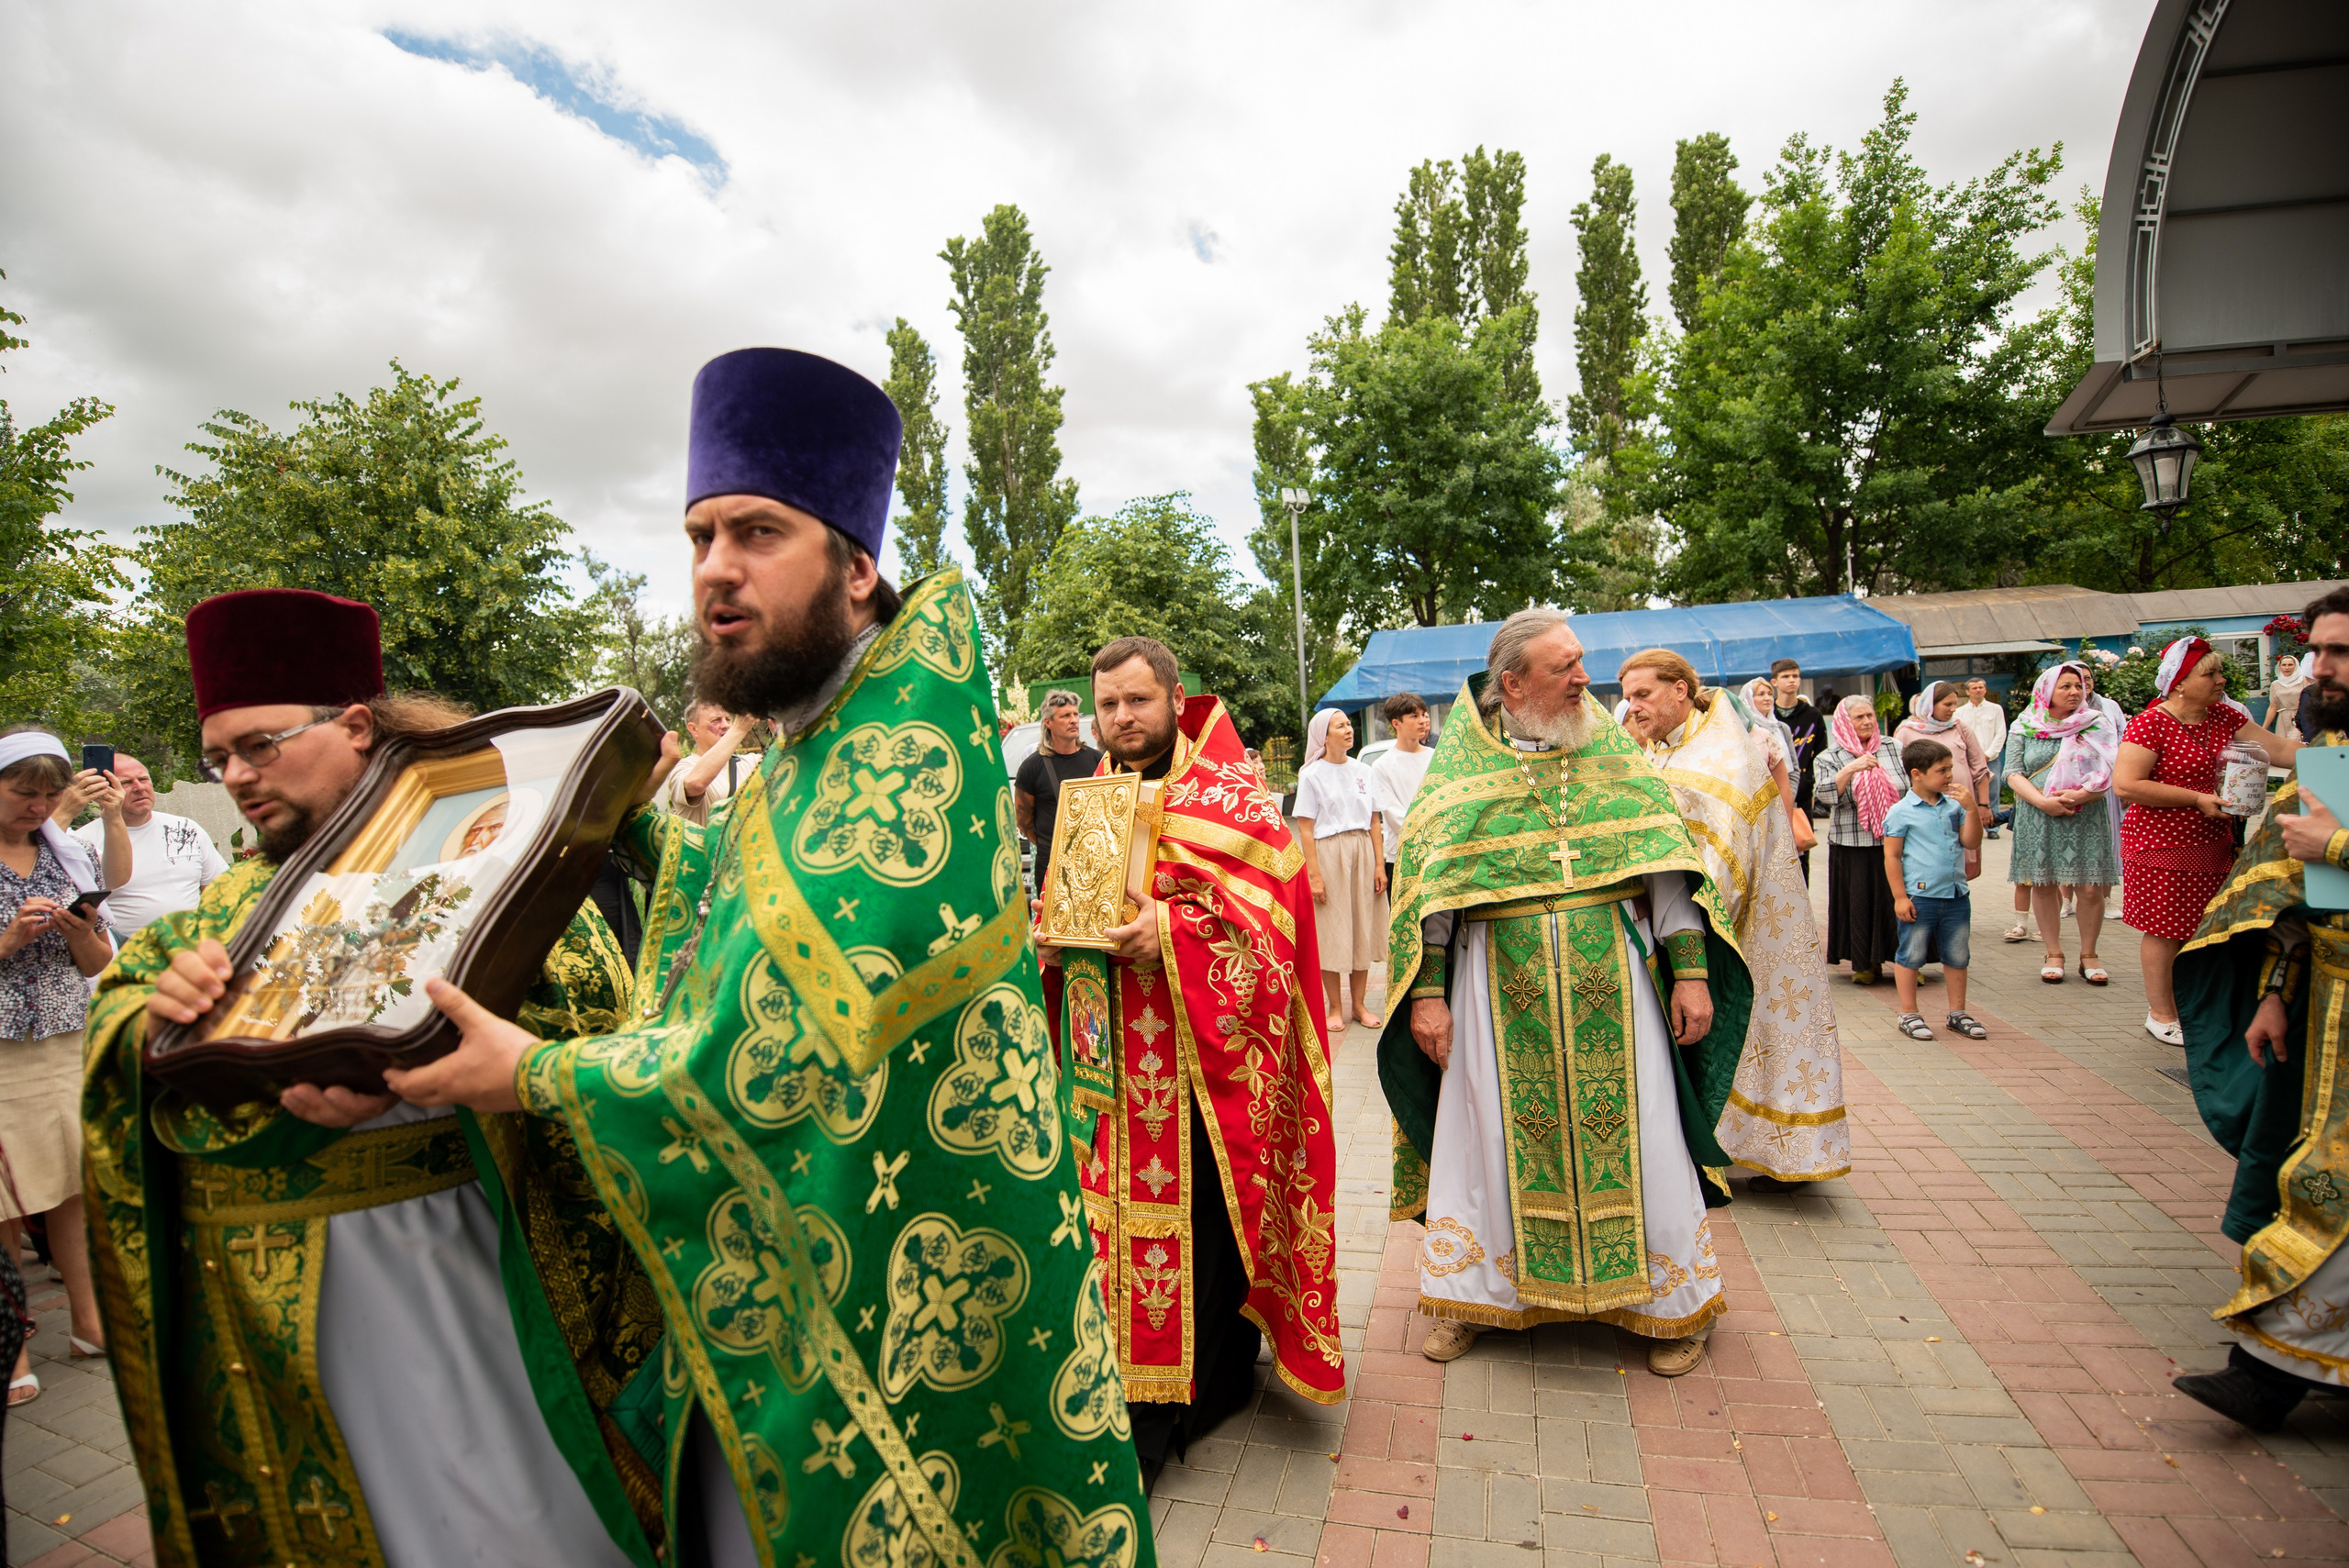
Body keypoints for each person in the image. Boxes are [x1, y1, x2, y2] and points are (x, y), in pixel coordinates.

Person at [386, 348, 1153, 1560]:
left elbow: (773, 1050)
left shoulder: (906, 751)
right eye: (699, 535)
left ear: (856, 567)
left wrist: (531, 1072)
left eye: (756, 532)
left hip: (892, 1319)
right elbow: (723, 927)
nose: (715, 568)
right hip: (811, 1273)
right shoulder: (813, 742)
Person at [80, 588, 662, 1568]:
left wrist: (446, 1063)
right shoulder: (219, 910)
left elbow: (592, 1022)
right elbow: (125, 1025)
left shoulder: (502, 864)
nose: (237, 776)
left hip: (490, 1277)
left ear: (356, 725)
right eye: (218, 757)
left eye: (260, 745)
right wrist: (155, 1022)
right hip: (303, 1327)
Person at [1382, 610, 1751, 1376]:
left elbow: (1667, 869)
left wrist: (1690, 972)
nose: (1587, 678)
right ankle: (1474, 1295)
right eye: (1565, 668)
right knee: (1484, 1137)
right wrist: (1427, 995)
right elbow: (1429, 896)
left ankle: (1673, 1304)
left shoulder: (1612, 754)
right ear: (1513, 684)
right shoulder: (1458, 774)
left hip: (1614, 983)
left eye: (1582, 661)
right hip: (1495, 988)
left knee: (1644, 1133)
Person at [1042, 635, 1343, 1485]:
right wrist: (1053, 939)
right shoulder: (1092, 795)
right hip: (1111, 1061)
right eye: (1107, 704)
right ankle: (1134, 1386)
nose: (1120, 717)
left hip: (1206, 1066)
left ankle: (1175, 1405)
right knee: (1114, 1226)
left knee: (1205, 1223)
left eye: (1137, 700)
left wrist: (1170, 930)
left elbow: (1274, 926)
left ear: (1176, 698)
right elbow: (1072, 906)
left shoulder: (1232, 796)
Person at [2171, 586, 2349, 1430]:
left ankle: (2269, 1373)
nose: (2321, 668)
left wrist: (2338, 843)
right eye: (2318, 651)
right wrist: (2277, 992)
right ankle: (2279, 1367)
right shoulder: (2334, 753)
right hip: (2330, 1006)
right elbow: (2304, 896)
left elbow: (2327, 857)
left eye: (2340, 652)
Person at [1624, 653, 1847, 1190]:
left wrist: (1667, 921)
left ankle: (1785, 1154)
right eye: (1628, 697)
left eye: (1643, 695)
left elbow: (1720, 863)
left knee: (1758, 1029)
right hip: (1703, 922)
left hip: (1743, 926)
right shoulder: (1669, 746)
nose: (1632, 708)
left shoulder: (1720, 756)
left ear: (1680, 690)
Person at [0, 731, 114, 1409]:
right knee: (5, 1204)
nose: (39, 807)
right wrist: (10, 938)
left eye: (48, 794)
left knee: (73, 1188)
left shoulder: (70, 854)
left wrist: (81, 936)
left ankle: (88, 1323)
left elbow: (100, 962)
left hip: (65, 1039)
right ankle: (10, 1345)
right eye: (23, 793)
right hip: (3, 1051)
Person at [2116, 637, 2299, 1046]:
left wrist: (2331, 752)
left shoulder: (2224, 716)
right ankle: (2161, 1014)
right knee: (2165, 929)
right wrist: (2197, 799)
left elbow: (2281, 750)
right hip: (2160, 845)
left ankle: (2198, 1007)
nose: (2221, 680)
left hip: (2213, 841)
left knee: (2203, 926)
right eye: (2210, 673)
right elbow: (2127, 785)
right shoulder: (2150, 722)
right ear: (2180, 682)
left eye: (2220, 672)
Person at [1998, 663, 2120, 985]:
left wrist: (2083, 795)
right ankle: (2053, 953)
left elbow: (2110, 770)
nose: (2075, 692)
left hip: (2086, 814)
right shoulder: (2025, 724)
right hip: (2038, 815)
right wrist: (2042, 802)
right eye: (2065, 686)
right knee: (2044, 884)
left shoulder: (2096, 723)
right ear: (2046, 690)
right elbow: (2012, 772)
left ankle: (2089, 954)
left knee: (2090, 887)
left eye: (2078, 686)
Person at [1882, 739, 1988, 1041]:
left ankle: (1957, 1013)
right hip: (1920, 896)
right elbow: (1892, 856)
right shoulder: (1901, 812)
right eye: (1942, 770)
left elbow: (1971, 842)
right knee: (1911, 954)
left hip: (1956, 894)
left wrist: (1972, 808)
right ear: (1917, 774)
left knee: (1957, 954)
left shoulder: (1954, 806)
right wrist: (1900, 897)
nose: (1949, 775)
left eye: (1950, 768)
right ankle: (1908, 1012)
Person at [1293, 706, 1386, 1037]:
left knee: (1362, 927)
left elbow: (1374, 821)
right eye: (1340, 726)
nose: (1348, 729)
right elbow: (1306, 829)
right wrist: (1314, 876)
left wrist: (1379, 864)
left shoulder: (1364, 771)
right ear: (1324, 736)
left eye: (1349, 724)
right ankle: (1334, 1007)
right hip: (1329, 854)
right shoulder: (1312, 775)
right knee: (1332, 930)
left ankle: (1359, 1005)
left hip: (1363, 851)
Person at [71, 753, 226, 942]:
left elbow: (217, 888)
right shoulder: (82, 842)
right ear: (103, 790)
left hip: (192, 947)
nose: (139, 787)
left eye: (144, 779)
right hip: (128, 952)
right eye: (126, 783)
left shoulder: (187, 829)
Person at [1812, 696, 1906, 985]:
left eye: (1870, 716)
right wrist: (1852, 768)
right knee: (1860, 906)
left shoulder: (1893, 747)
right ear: (1845, 721)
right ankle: (1864, 964)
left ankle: (1907, 964)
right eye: (1859, 717)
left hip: (1895, 842)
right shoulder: (1829, 757)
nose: (1867, 722)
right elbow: (1825, 796)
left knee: (1896, 902)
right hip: (1852, 844)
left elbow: (1909, 785)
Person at [1896, 683, 1992, 876]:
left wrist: (1983, 804)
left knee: (1963, 861)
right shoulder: (1906, 731)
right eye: (1947, 704)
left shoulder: (1960, 727)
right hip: (1926, 810)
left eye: (1955, 704)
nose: (1953, 709)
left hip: (1961, 806)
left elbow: (1979, 768)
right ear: (1929, 705)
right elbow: (1900, 773)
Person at [1014, 686, 1100, 890]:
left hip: (1093, 859)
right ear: (1048, 722)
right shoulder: (1032, 767)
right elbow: (1023, 821)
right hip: (1051, 861)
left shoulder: (1097, 760)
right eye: (1065, 716)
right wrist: (1049, 843)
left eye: (1075, 714)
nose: (1074, 720)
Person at [1740, 678, 1820, 858]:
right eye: (1761, 694)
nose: (1767, 698)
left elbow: (1794, 768)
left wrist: (1786, 798)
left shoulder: (1781, 728)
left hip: (1785, 802)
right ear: (1748, 699)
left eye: (1770, 694)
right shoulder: (1744, 731)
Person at [657, 698, 758, 824]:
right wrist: (739, 729)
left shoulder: (751, 762)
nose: (726, 725)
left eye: (728, 719)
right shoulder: (683, 767)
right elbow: (695, 784)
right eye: (716, 720)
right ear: (694, 729)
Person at [1372, 691, 1436, 888]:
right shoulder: (1382, 765)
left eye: (1423, 714)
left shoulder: (1436, 757)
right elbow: (1394, 816)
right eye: (1414, 716)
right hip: (1402, 854)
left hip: (1438, 852)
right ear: (1396, 723)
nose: (1422, 721)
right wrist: (1431, 834)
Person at [1771, 660, 1824, 878]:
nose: (1791, 680)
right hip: (1773, 796)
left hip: (1802, 796)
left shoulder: (1813, 715)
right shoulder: (1768, 715)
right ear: (1775, 682)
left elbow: (1820, 755)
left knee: (1801, 852)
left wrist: (1810, 783)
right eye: (1785, 676)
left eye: (1795, 676)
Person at [2265, 651, 2309, 734]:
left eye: (2290, 665)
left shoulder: (2304, 681)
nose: (2287, 668)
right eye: (2284, 665)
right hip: (2283, 719)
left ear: (2296, 666)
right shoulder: (2275, 684)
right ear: (2280, 667)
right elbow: (2273, 707)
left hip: (2301, 717)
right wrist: (2264, 728)